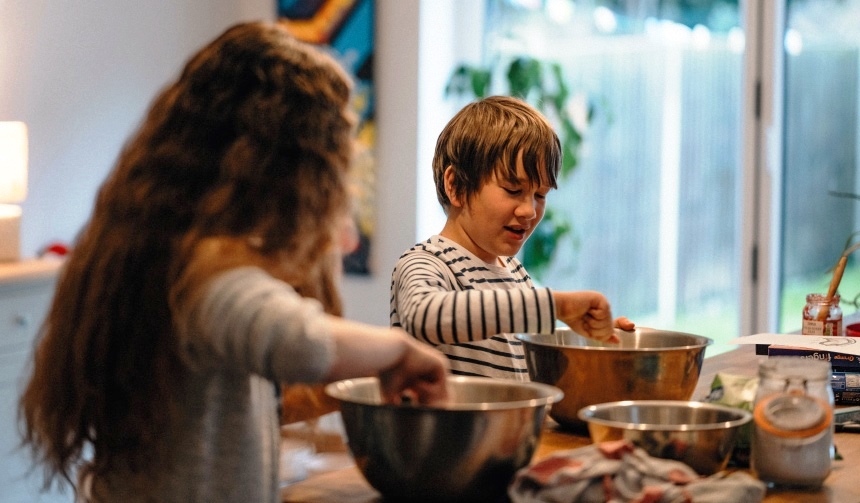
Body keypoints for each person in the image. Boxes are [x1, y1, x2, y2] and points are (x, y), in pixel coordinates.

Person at [18, 22, 449, 503]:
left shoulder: (157, 243)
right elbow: (298, 340)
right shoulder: (203, 269)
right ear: (285, 170)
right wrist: (400, 350)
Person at [390, 95, 633, 380]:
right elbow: (424, 316)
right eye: (513, 190)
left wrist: (590, 337)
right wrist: (557, 305)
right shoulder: (426, 263)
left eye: (540, 195)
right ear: (455, 186)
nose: (530, 210)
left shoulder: (516, 273)